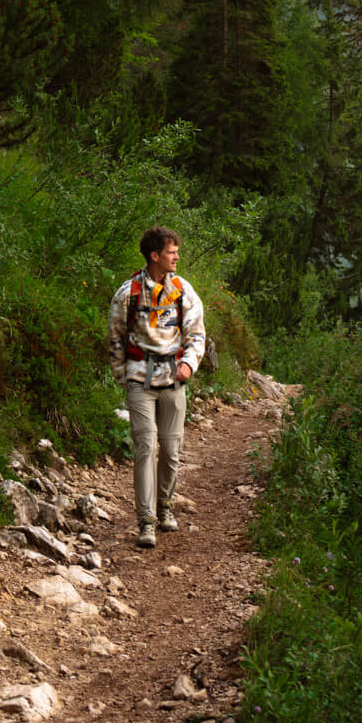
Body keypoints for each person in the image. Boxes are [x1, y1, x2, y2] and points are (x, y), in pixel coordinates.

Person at [107, 227, 206, 549]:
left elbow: (196, 333)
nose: (177, 257)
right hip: (140, 380)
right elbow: (116, 337)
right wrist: (124, 378)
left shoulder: (183, 290)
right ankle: (146, 521)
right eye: (172, 252)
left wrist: (189, 363)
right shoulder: (129, 293)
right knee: (145, 448)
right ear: (155, 256)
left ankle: (165, 507)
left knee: (172, 451)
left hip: (175, 379)